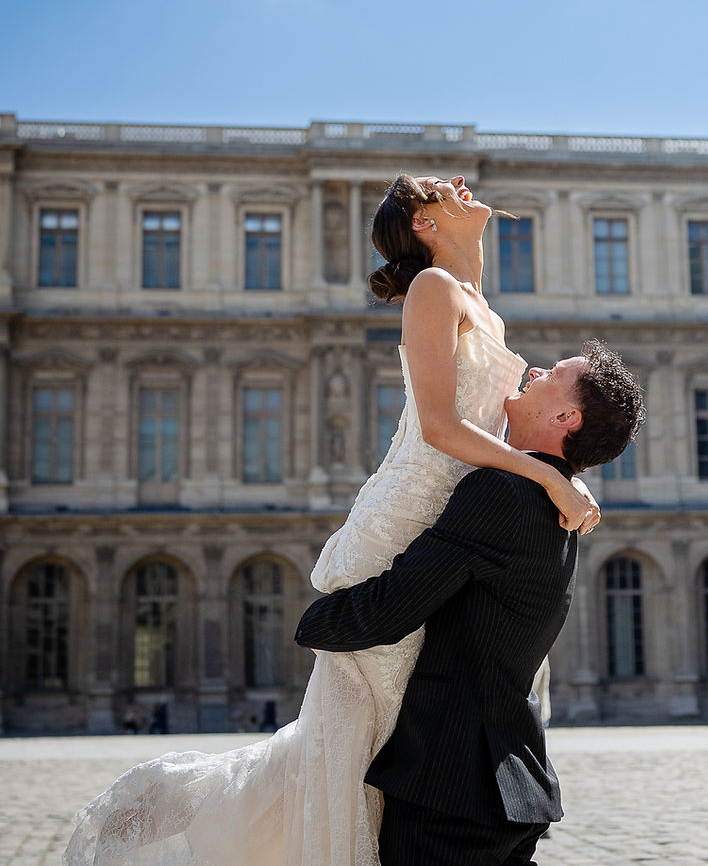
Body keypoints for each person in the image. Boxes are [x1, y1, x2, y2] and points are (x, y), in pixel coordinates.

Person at [64, 174, 596, 866]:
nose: (457, 182)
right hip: (412, 511)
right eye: (436, 189)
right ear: (427, 227)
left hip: (451, 514)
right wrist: (548, 474)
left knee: (387, 726)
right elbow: (439, 426)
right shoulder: (434, 289)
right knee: (354, 727)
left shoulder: (479, 304)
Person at [295, 339, 645, 866]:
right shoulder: (559, 504)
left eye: (555, 372)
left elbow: (396, 603)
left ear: (564, 416)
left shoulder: (503, 492)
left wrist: (313, 622)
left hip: (452, 782)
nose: (536, 369)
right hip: (506, 777)